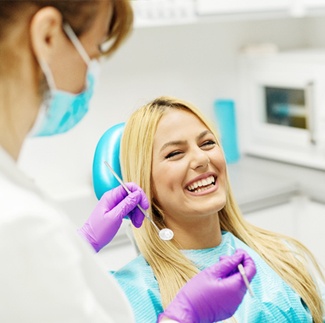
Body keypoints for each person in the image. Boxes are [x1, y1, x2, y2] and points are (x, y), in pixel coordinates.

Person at [0, 1, 256, 322]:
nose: (87, 80)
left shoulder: (282, 257)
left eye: (207, 143)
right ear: (49, 36)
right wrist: (182, 318)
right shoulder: (20, 224)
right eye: (92, 54)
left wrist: (81, 243)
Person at [113, 95, 325, 322]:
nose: (201, 159)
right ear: (145, 183)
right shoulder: (131, 293)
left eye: (207, 143)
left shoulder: (283, 255)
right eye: (174, 153)